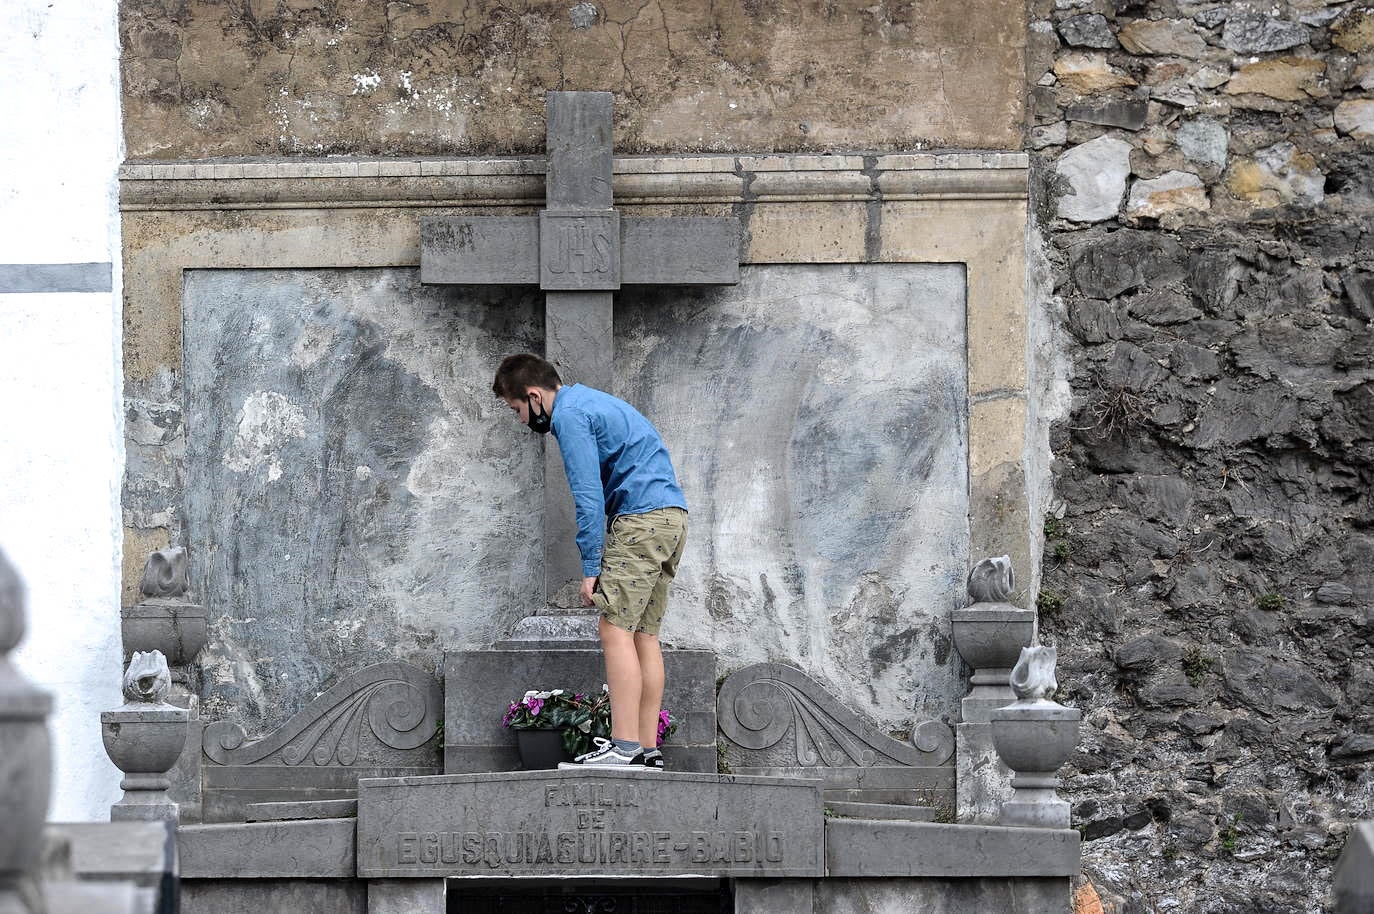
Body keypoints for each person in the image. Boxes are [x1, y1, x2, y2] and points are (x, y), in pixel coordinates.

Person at [492, 353, 688, 771]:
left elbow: (587, 494)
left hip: (639, 521)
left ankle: (624, 746)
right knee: (643, 635)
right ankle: (647, 748)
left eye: (517, 411)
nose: (522, 421)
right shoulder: (595, 402)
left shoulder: (570, 415)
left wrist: (591, 566)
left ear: (533, 396)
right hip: (671, 517)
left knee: (613, 627)